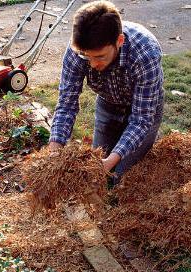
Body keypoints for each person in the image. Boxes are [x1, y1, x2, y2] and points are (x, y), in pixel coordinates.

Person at [48, 0, 164, 184]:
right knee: (97, 172)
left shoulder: (145, 55)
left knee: (121, 175)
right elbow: (66, 105)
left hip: (145, 108)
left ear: (119, 41)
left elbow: (141, 119)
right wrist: (55, 148)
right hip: (108, 103)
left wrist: (112, 160)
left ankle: (149, 142)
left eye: (100, 57)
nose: (93, 64)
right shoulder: (76, 52)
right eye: (87, 56)